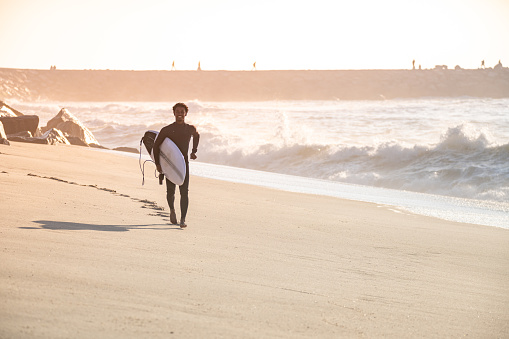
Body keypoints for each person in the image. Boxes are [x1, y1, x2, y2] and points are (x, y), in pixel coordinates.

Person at [153, 103, 200, 228]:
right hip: (169, 164)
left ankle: (183, 219)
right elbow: (156, 146)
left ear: (186, 113)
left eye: (182, 111)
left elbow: (197, 135)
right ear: (174, 113)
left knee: (184, 192)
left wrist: (194, 151)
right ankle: (172, 210)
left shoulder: (190, 128)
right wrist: (158, 164)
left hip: (183, 164)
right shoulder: (167, 130)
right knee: (171, 191)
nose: (180, 113)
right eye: (177, 111)